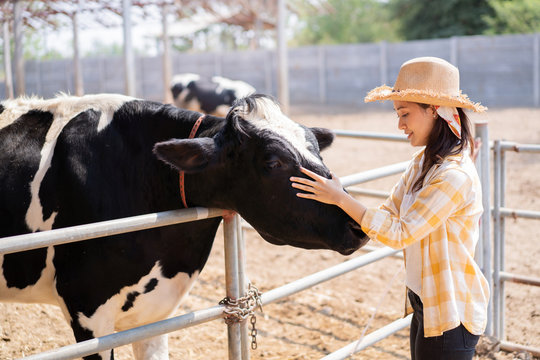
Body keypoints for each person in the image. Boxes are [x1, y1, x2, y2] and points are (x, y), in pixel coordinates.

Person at [290, 56, 490, 360]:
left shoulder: (453, 176)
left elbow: (400, 232)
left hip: (451, 311)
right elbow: (389, 212)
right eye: (398, 114)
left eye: (405, 113)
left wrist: (341, 198)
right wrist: (335, 197)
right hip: (426, 301)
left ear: (434, 112)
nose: (400, 125)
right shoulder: (423, 163)